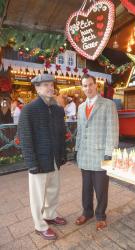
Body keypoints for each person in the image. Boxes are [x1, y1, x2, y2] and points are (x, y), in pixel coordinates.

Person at [18, 74, 67, 240]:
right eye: (45, 85)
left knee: (53, 190)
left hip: (53, 158)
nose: (50, 88)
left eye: (51, 84)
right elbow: (25, 137)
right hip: (38, 161)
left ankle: (50, 215)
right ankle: (40, 225)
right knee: (38, 195)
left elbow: (61, 134)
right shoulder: (29, 110)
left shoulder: (57, 109)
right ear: (37, 88)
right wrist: (31, 163)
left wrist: (62, 154)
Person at [75, 74, 119, 231]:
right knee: (85, 187)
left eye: (90, 84)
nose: (88, 88)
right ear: (82, 88)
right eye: (85, 85)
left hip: (101, 154)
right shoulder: (80, 107)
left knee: (101, 188)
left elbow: (112, 131)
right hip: (84, 154)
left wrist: (109, 153)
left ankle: (100, 215)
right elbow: (80, 130)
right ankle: (87, 212)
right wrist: (76, 149)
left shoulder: (108, 105)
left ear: (96, 85)